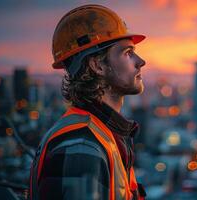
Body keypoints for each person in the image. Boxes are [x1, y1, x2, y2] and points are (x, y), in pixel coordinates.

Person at [30, 4, 146, 200]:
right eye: (127, 52)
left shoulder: (103, 135)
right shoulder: (82, 147)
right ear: (97, 65)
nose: (141, 61)